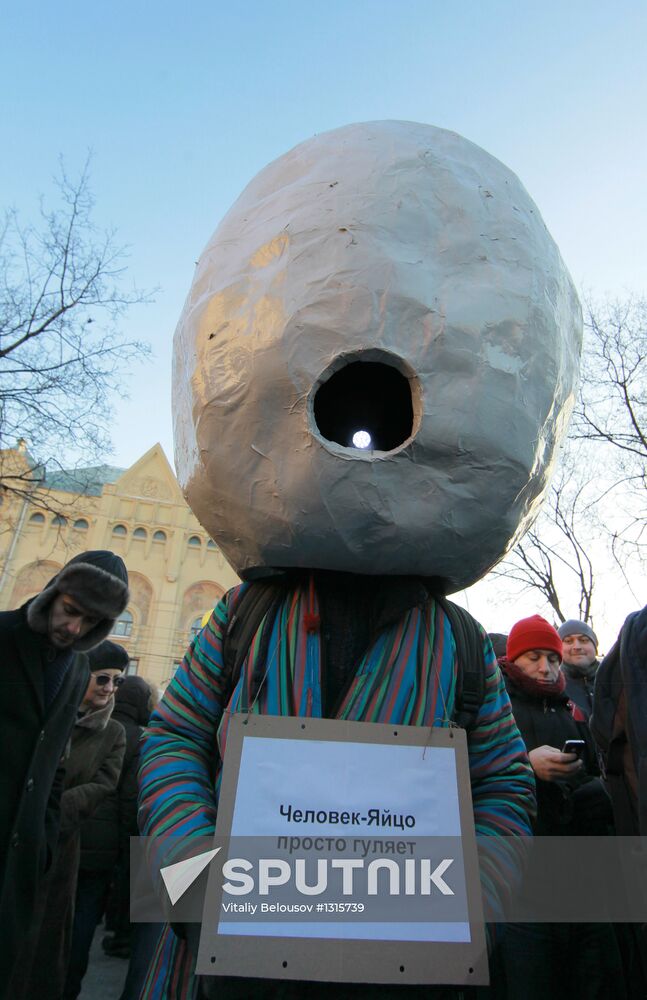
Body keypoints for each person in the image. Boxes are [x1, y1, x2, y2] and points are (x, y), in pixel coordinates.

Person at [0, 549, 129, 996]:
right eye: (71, 611)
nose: (73, 629)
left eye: (91, 624)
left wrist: (43, 843)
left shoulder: (76, 668)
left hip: (18, 865)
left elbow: (54, 764)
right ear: (54, 591)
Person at [497, 614, 621, 1000]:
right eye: (533, 657)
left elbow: (604, 776)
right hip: (520, 883)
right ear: (513, 660)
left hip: (581, 877)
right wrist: (526, 766)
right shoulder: (497, 708)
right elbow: (472, 770)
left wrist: (592, 791)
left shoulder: (572, 711)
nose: (545, 668)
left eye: (551, 659)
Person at [63, 672, 158, 998]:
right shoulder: (142, 738)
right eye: (102, 678)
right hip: (104, 848)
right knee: (83, 923)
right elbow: (131, 799)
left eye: (114, 682)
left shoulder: (112, 730)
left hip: (71, 837)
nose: (108, 687)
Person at [558, 619, 599, 718]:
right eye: (568, 641)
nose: (577, 646)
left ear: (595, 647)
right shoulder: (555, 688)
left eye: (584, 640)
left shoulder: (617, 680)